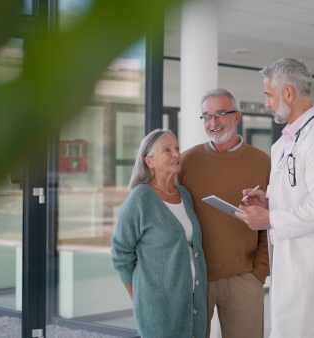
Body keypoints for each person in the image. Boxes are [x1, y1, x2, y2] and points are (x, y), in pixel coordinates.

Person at [235, 58, 314, 337]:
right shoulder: (286, 142)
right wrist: (269, 202)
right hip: (292, 261)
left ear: (288, 93)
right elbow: (300, 194)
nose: (266, 103)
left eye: (269, 95)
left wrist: (270, 218)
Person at [179, 89, 271, 338]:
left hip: (244, 277)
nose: (213, 122)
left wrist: (259, 271)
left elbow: (273, 217)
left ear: (237, 117)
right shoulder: (187, 162)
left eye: (220, 114)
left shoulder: (263, 162)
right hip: (196, 277)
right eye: (206, 116)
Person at [111, 129, 207, 338]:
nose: (176, 154)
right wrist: (138, 297)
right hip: (158, 306)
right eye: (167, 150)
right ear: (149, 161)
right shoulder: (140, 199)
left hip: (193, 301)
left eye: (177, 148)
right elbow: (120, 254)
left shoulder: (185, 195)